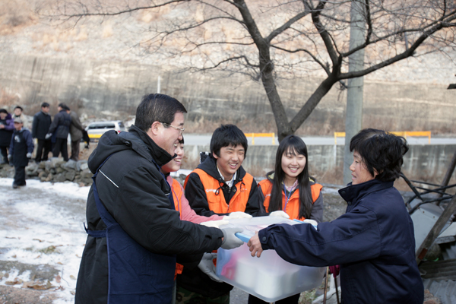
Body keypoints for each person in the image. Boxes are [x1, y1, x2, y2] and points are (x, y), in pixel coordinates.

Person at [75, 93, 243, 304]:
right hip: (117, 285)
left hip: (135, 279)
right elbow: (162, 230)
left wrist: (200, 251)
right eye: (179, 128)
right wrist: (219, 237)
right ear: (156, 127)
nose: (180, 136)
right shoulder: (131, 167)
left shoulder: (141, 163)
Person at [247, 129, 424, 304]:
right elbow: (358, 242)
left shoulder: (374, 210)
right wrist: (343, 255)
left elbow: (324, 240)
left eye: (357, 161)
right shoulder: (385, 196)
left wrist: (271, 235)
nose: (351, 167)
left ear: (376, 169)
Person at [178, 124, 264, 304]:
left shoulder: (248, 182)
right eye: (230, 151)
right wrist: (230, 221)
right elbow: (195, 217)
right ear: (215, 153)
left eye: (240, 152)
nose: (236, 158)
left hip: (227, 272)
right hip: (195, 272)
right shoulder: (197, 178)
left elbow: (256, 217)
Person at [248, 135, 324, 304]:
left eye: (300, 157)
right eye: (289, 156)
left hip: (293, 262)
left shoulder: (314, 191)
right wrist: (269, 219)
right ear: (280, 157)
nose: (294, 162)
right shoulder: (263, 187)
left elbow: (316, 225)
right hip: (264, 260)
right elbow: (254, 221)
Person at [8, 117, 34, 189]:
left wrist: (29, 152)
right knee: (18, 167)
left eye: (17, 123)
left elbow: (30, 143)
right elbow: (12, 144)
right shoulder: (14, 133)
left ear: (21, 124)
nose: (16, 125)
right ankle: (22, 182)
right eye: (15, 123)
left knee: (20, 167)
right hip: (16, 153)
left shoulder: (26, 133)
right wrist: (10, 153)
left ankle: (16, 182)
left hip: (23, 153)